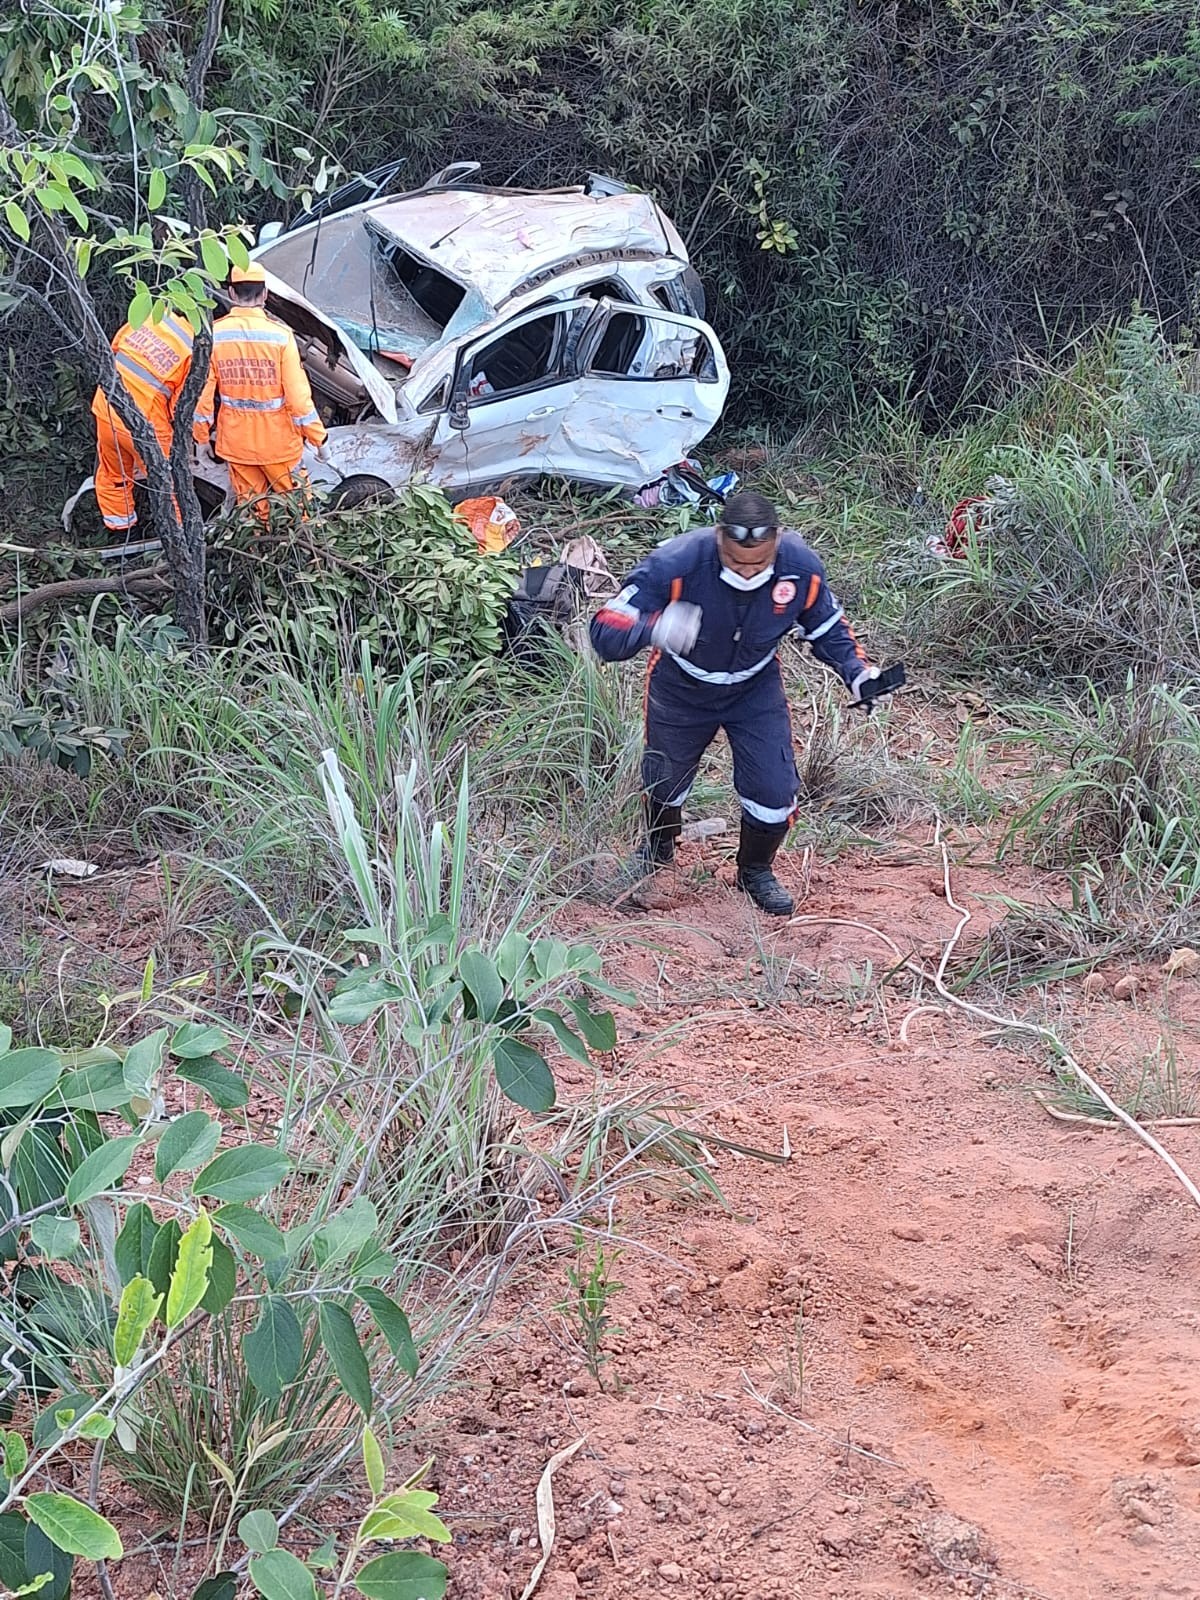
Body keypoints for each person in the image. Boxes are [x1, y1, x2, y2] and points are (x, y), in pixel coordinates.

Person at [589, 490, 885, 917]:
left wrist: (859, 674)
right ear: (719, 538)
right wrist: (654, 626)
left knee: (774, 789)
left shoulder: (800, 569)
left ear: (777, 542)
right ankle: (657, 851)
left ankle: (754, 870)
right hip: (682, 686)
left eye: (759, 563)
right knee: (664, 779)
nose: (747, 571)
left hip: (754, 688)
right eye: (735, 561)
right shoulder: (676, 563)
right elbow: (605, 630)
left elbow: (828, 627)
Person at [195, 262, 330, 523]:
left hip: (237, 443)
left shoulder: (215, 335)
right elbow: (299, 398)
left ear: (232, 294)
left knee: (255, 513)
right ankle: (304, 556)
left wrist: (201, 439)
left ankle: (260, 555)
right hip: (278, 445)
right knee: (299, 510)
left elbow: (202, 396)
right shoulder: (280, 336)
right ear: (265, 294)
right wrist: (319, 440)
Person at [91, 309, 204, 534]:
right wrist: (198, 440)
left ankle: (119, 529)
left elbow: (113, 350)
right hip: (145, 428)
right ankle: (180, 538)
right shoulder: (196, 350)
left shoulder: (150, 315)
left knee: (114, 475)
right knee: (169, 487)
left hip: (106, 407)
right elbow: (182, 408)